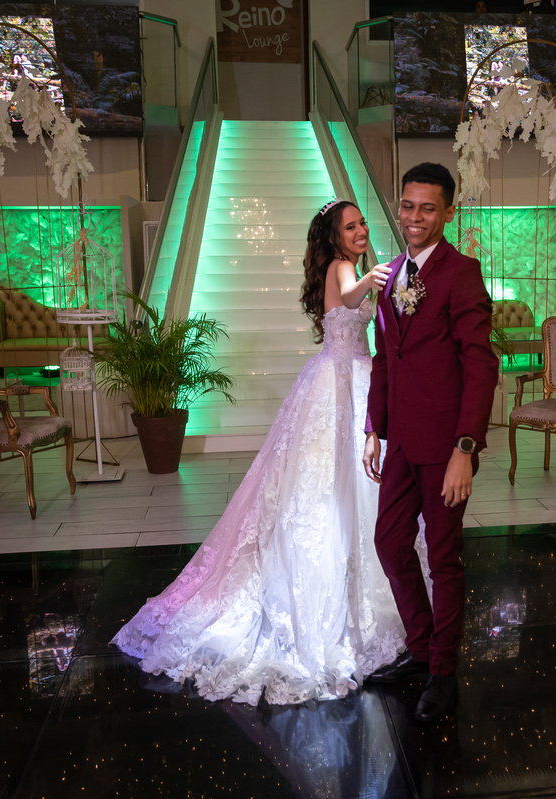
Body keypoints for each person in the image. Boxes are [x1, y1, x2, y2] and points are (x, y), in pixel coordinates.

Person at [113, 201, 399, 706]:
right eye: (350, 226)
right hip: (338, 382)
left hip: (352, 377)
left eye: (361, 224)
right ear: (334, 238)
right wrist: (372, 280)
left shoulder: (345, 268)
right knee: (329, 483)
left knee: (347, 484)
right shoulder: (343, 269)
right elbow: (351, 293)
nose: (360, 231)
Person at [363, 163, 500, 722]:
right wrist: (374, 428)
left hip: (445, 446)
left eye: (427, 208)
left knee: (443, 558)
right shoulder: (392, 272)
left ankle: (443, 670)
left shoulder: (461, 273)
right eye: (407, 205)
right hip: (400, 441)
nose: (414, 217)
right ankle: (420, 649)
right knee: (389, 542)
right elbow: (385, 357)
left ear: (447, 212)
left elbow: (481, 365)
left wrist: (465, 449)